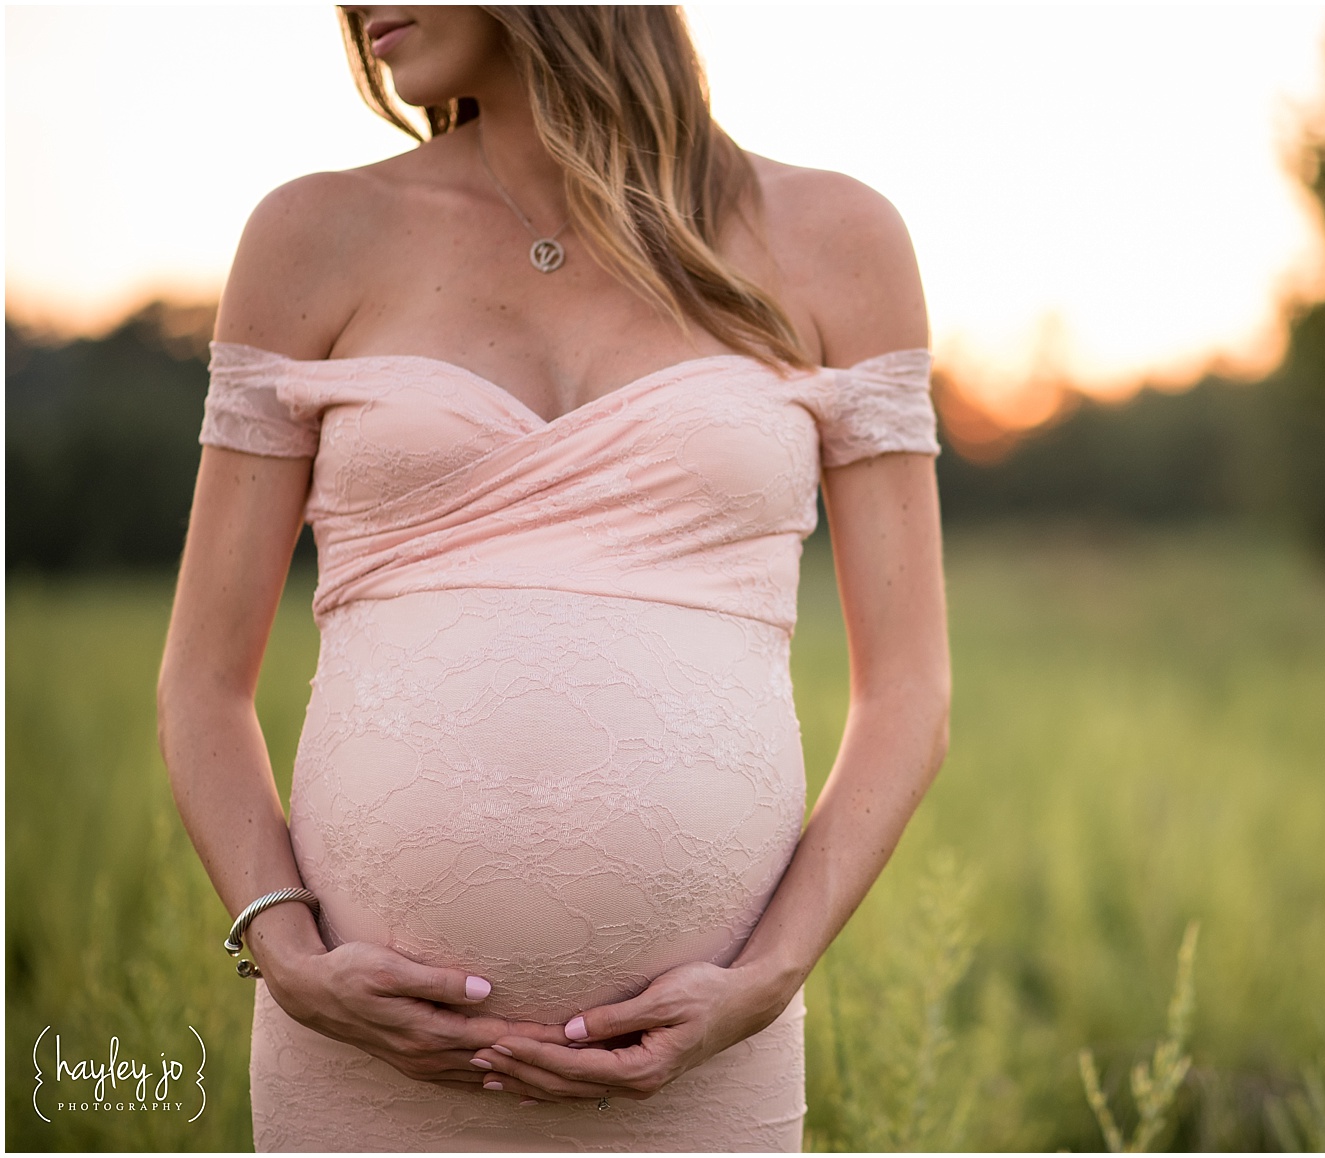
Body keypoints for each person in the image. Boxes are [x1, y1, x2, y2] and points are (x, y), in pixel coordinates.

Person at [155, 7, 950, 1149]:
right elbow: (202, 680)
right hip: (359, 1067)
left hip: (697, 1069)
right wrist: (284, 952)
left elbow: (910, 687)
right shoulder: (313, 233)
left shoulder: (834, 236)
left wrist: (769, 978)